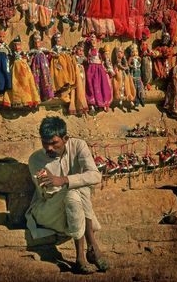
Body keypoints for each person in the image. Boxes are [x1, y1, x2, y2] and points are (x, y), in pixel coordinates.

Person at [25, 116, 108, 274]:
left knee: (75, 190)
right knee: (75, 189)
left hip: (75, 208)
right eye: (45, 143)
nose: (49, 148)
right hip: (48, 212)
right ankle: (92, 246)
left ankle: (80, 258)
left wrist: (62, 180)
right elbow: (48, 193)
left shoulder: (78, 145)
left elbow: (96, 176)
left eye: (54, 143)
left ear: (65, 139)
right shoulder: (36, 159)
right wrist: (63, 183)